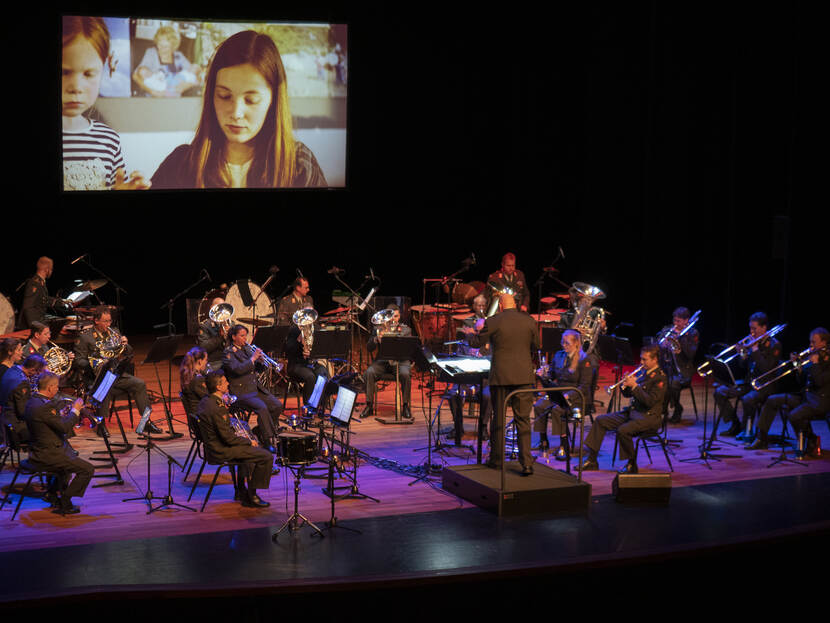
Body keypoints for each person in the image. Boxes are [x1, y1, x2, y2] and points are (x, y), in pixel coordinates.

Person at [151, 30, 327, 189]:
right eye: (224, 96)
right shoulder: (181, 164)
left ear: (273, 102)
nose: (236, 113)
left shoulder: (298, 165)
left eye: (251, 100)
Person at [62, 16, 151, 191]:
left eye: (88, 74)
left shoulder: (109, 140)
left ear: (104, 68)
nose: (76, 88)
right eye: (64, 72)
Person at [468, 292, 539, 475]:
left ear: (500, 306)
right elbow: (537, 346)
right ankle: (527, 464)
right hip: (524, 377)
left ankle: (497, 461)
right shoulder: (529, 321)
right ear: (514, 304)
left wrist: (472, 333)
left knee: (498, 418)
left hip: (501, 377)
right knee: (523, 420)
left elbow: (477, 343)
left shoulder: (493, 321)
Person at [581, 344, 666, 475]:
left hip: (648, 417)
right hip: (633, 413)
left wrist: (635, 386)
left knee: (623, 430)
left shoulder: (660, 377)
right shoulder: (643, 372)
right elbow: (629, 394)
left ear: (655, 360)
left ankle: (631, 464)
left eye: (645, 360)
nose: (641, 362)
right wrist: (624, 386)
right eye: (641, 359)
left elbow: (650, 402)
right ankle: (592, 460)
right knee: (601, 420)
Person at [72, 308, 160, 433]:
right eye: (105, 321)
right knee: (105, 387)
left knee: (139, 383)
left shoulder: (114, 332)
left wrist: (126, 344)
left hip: (116, 374)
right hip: (96, 376)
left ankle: (146, 422)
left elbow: (129, 352)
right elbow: (78, 361)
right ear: (96, 321)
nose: (109, 324)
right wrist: (95, 365)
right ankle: (101, 424)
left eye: (110, 321)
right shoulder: (85, 337)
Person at [196, 370, 273, 508]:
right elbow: (228, 439)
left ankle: (241, 491)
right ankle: (252, 496)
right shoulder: (217, 408)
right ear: (218, 387)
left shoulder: (206, 401)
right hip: (220, 450)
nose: (228, 383)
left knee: (248, 451)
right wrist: (248, 441)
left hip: (213, 446)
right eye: (225, 382)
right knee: (265, 456)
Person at [748, 328, 830, 455]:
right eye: (810, 342)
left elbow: (819, 382)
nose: (810, 345)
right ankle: (761, 438)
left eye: (814, 342)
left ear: (824, 343)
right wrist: (798, 366)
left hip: (819, 401)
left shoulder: (826, 360)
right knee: (772, 400)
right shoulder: (815, 356)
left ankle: (810, 439)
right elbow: (802, 381)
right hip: (805, 397)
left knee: (794, 415)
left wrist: (815, 364)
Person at [23, 372, 93, 515]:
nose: (57, 390)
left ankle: (53, 494)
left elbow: (47, 422)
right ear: (49, 388)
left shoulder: (33, 401)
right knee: (87, 469)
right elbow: (65, 428)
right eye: (56, 387)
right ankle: (65, 500)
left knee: (69, 461)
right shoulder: (45, 407)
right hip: (48, 454)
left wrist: (60, 415)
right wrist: (75, 411)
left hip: (39, 449)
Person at [715, 312, 782, 438]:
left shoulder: (774, 344)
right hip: (749, 383)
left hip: (765, 385)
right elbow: (743, 365)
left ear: (764, 328)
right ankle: (735, 425)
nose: (751, 332)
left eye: (754, 328)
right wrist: (743, 354)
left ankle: (747, 430)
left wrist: (755, 350)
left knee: (748, 399)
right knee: (720, 392)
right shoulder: (753, 342)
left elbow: (766, 369)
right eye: (750, 328)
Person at [533, 329, 596, 459]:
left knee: (558, 410)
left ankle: (564, 445)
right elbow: (552, 375)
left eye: (567, 343)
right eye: (563, 342)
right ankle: (543, 440)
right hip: (559, 393)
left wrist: (568, 396)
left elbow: (584, 387)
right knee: (539, 405)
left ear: (576, 344)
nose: (564, 345)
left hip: (577, 397)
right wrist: (543, 374)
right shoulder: (559, 355)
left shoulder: (585, 360)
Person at [222, 324, 283, 450]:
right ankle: (268, 440)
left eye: (246, 336)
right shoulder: (228, 353)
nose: (245, 339)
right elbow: (237, 369)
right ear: (233, 337)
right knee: (262, 407)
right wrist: (253, 359)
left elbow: (255, 370)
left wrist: (261, 362)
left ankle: (260, 431)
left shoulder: (247, 350)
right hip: (241, 391)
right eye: (242, 336)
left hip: (255, 388)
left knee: (276, 405)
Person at [361, 305, 414, 420]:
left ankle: (405, 406)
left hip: (400, 361)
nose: (393, 319)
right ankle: (369, 405)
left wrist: (392, 337)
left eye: (396, 316)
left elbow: (409, 348)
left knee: (405, 374)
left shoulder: (406, 330)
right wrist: (376, 339)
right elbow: (369, 348)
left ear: (399, 317)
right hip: (383, 362)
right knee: (369, 372)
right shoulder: (378, 329)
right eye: (391, 317)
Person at [656, 307, 699, 423]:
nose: (675, 324)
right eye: (675, 320)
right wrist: (662, 345)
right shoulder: (668, 329)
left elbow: (691, 354)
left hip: (683, 371)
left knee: (673, 383)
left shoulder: (692, 333)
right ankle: (661, 410)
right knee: (659, 380)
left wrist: (680, 339)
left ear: (686, 321)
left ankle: (677, 409)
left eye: (679, 321)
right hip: (667, 367)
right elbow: (657, 345)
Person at [132, 25, 202, 98]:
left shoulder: (179, 56)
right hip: (154, 98)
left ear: (173, 46)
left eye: (165, 47)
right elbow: (135, 76)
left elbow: (197, 75)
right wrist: (153, 92)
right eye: (159, 45)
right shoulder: (151, 53)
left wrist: (186, 85)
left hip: (174, 99)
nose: (162, 49)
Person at [284, 310, 330, 406]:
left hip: (310, 363)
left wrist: (312, 352)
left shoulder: (315, 328)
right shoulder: (294, 330)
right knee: (310, 377)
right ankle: (308, 407)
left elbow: (321, 347)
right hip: (296, 364)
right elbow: (287, 350)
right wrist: (298, 341)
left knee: (323, 373)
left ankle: (319, 404)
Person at [0, 354, 48, 444]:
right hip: (14, 426)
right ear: (32, 369)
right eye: (37, 373)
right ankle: (45, 456)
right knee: (47, 428)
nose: (36, 375)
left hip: (5, 420)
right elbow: (23, 412)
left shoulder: (13, 369)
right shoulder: (22, 383)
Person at [18, 257, 60, 330]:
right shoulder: (35, 283)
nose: (51, 271)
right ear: (47, 269)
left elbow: (43, 299)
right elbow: (28, 307)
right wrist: (36, 327)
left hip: (38, 320)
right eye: (51, 269)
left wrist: (62, 302)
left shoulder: (41, 282)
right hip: (30, 326)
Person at [197, 297, 230, 370]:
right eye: (219, 307)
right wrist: (220, 336)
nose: (222, 310)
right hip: (213, 361)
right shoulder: (205, 326)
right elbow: (203, 347)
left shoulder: (230, 323)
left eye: (223, 307)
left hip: (229, 359)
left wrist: (232, 335)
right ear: (212, 308)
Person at [180, 346, 209, 416]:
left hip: (196, 414)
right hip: (202, 416)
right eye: (206, 360)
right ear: (200, 361)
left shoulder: (188, 375)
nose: (207, 363)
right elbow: (209, 398)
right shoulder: (197, 380)